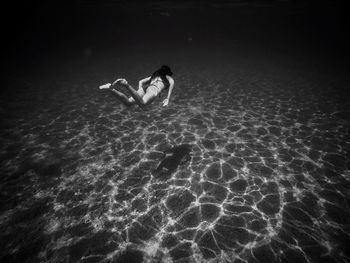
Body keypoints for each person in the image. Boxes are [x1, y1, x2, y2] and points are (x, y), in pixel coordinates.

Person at [99, 65, 174, 107]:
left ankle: (110, 88)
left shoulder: (154, 76)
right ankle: (126, 85)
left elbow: (141, 81)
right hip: (153, 89)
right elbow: (171, 86)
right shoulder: (169, 78)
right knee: (142, 104)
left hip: (147, 88)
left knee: (128, 102)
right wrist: (167, 98)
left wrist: (140, 89)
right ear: (167, 72)